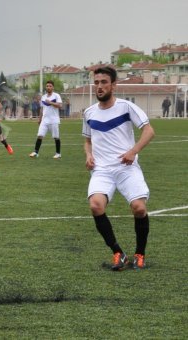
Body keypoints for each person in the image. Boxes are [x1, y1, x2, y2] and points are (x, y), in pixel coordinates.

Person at [82, 66, 155, 271]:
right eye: (96, 83)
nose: (99, 86)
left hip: (126, 167)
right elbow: (87, 141)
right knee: (96, 206)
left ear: (113, 85)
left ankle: (139, 254)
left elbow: (149, 131)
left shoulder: (126, 107)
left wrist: (133, 151)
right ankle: (118, 252)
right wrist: (88, 155)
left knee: (139, 208)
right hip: (102, 170)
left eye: (104, 82)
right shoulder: (89, 113)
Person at [29, 80, 63, 159]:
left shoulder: (56, 96)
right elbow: (42, 109)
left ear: (53, 87)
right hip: (44, 120)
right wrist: (40, 119)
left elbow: (60, 105)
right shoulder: (43, 97)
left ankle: (58, 153)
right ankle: (36, 152)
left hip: (54, 120)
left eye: (50, 86)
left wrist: (51, 102)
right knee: (40, 135)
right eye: (47, 86)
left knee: (56, 137)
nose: (48, 87)